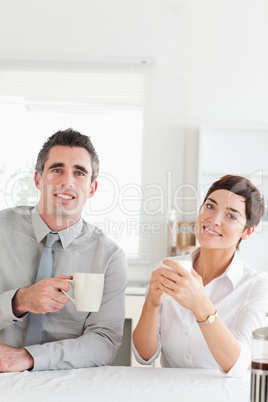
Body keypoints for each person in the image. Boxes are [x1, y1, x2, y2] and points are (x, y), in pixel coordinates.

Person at [0, 128, 127, 372]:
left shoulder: (110, 257)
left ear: (91, 188)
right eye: (57, 169)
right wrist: (19, 301)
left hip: (67, 382)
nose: (67, 181)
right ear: (38, 179)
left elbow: (104, 342)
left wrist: (28, 357)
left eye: (79, 173)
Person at [132, 175, 268, 377]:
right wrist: (151, 304)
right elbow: (144, 356)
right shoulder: (171, 267)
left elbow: (239, 364)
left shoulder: (256, 286)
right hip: (168, 393)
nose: (214, 220)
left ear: (247, 232)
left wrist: (200, 305)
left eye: (231, 216)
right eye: (210, 206)